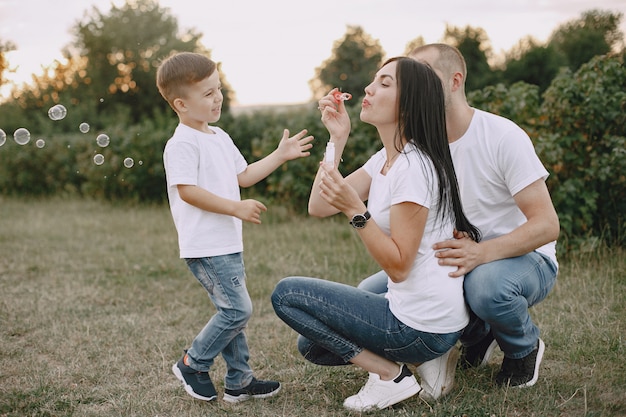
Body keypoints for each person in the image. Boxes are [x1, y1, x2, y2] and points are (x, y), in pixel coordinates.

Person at [271, 57, 481, 412]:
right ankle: (420, 362)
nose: (369, 89)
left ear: (409, 102)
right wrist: (337, 138)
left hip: (420, 325)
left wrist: (357, 211)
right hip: (411, 311)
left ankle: (390, 375)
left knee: (287, 294)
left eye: (385, 84)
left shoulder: (414, 168)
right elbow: (318, 206)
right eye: (374, 80)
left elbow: (398, 266)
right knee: (312, 346)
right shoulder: (385, 159)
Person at [359, 43, 560, 389]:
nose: (415, 82)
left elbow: (547, 224)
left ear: (455, 80)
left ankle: (523, 348)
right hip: (450, 260)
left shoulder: (501, 136)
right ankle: (477, 334)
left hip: (522, 258)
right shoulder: (415, 143)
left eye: (425, 73)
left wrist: (481, 253)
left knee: (484, 286)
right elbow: (336, 196)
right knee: (367, 295)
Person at [156, 51, 313, 403]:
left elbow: (243, 176)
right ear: (181, 103)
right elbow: (188, 191)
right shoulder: (181, 143)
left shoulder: (220, 136)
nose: (218, 97)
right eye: (208, 93)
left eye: (218, 88)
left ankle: (240, 381)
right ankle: (192, 363)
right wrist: (235, 207)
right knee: (237, 310)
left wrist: (279, 154)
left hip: (226, 242)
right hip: (204, 246)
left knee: (233, 311)